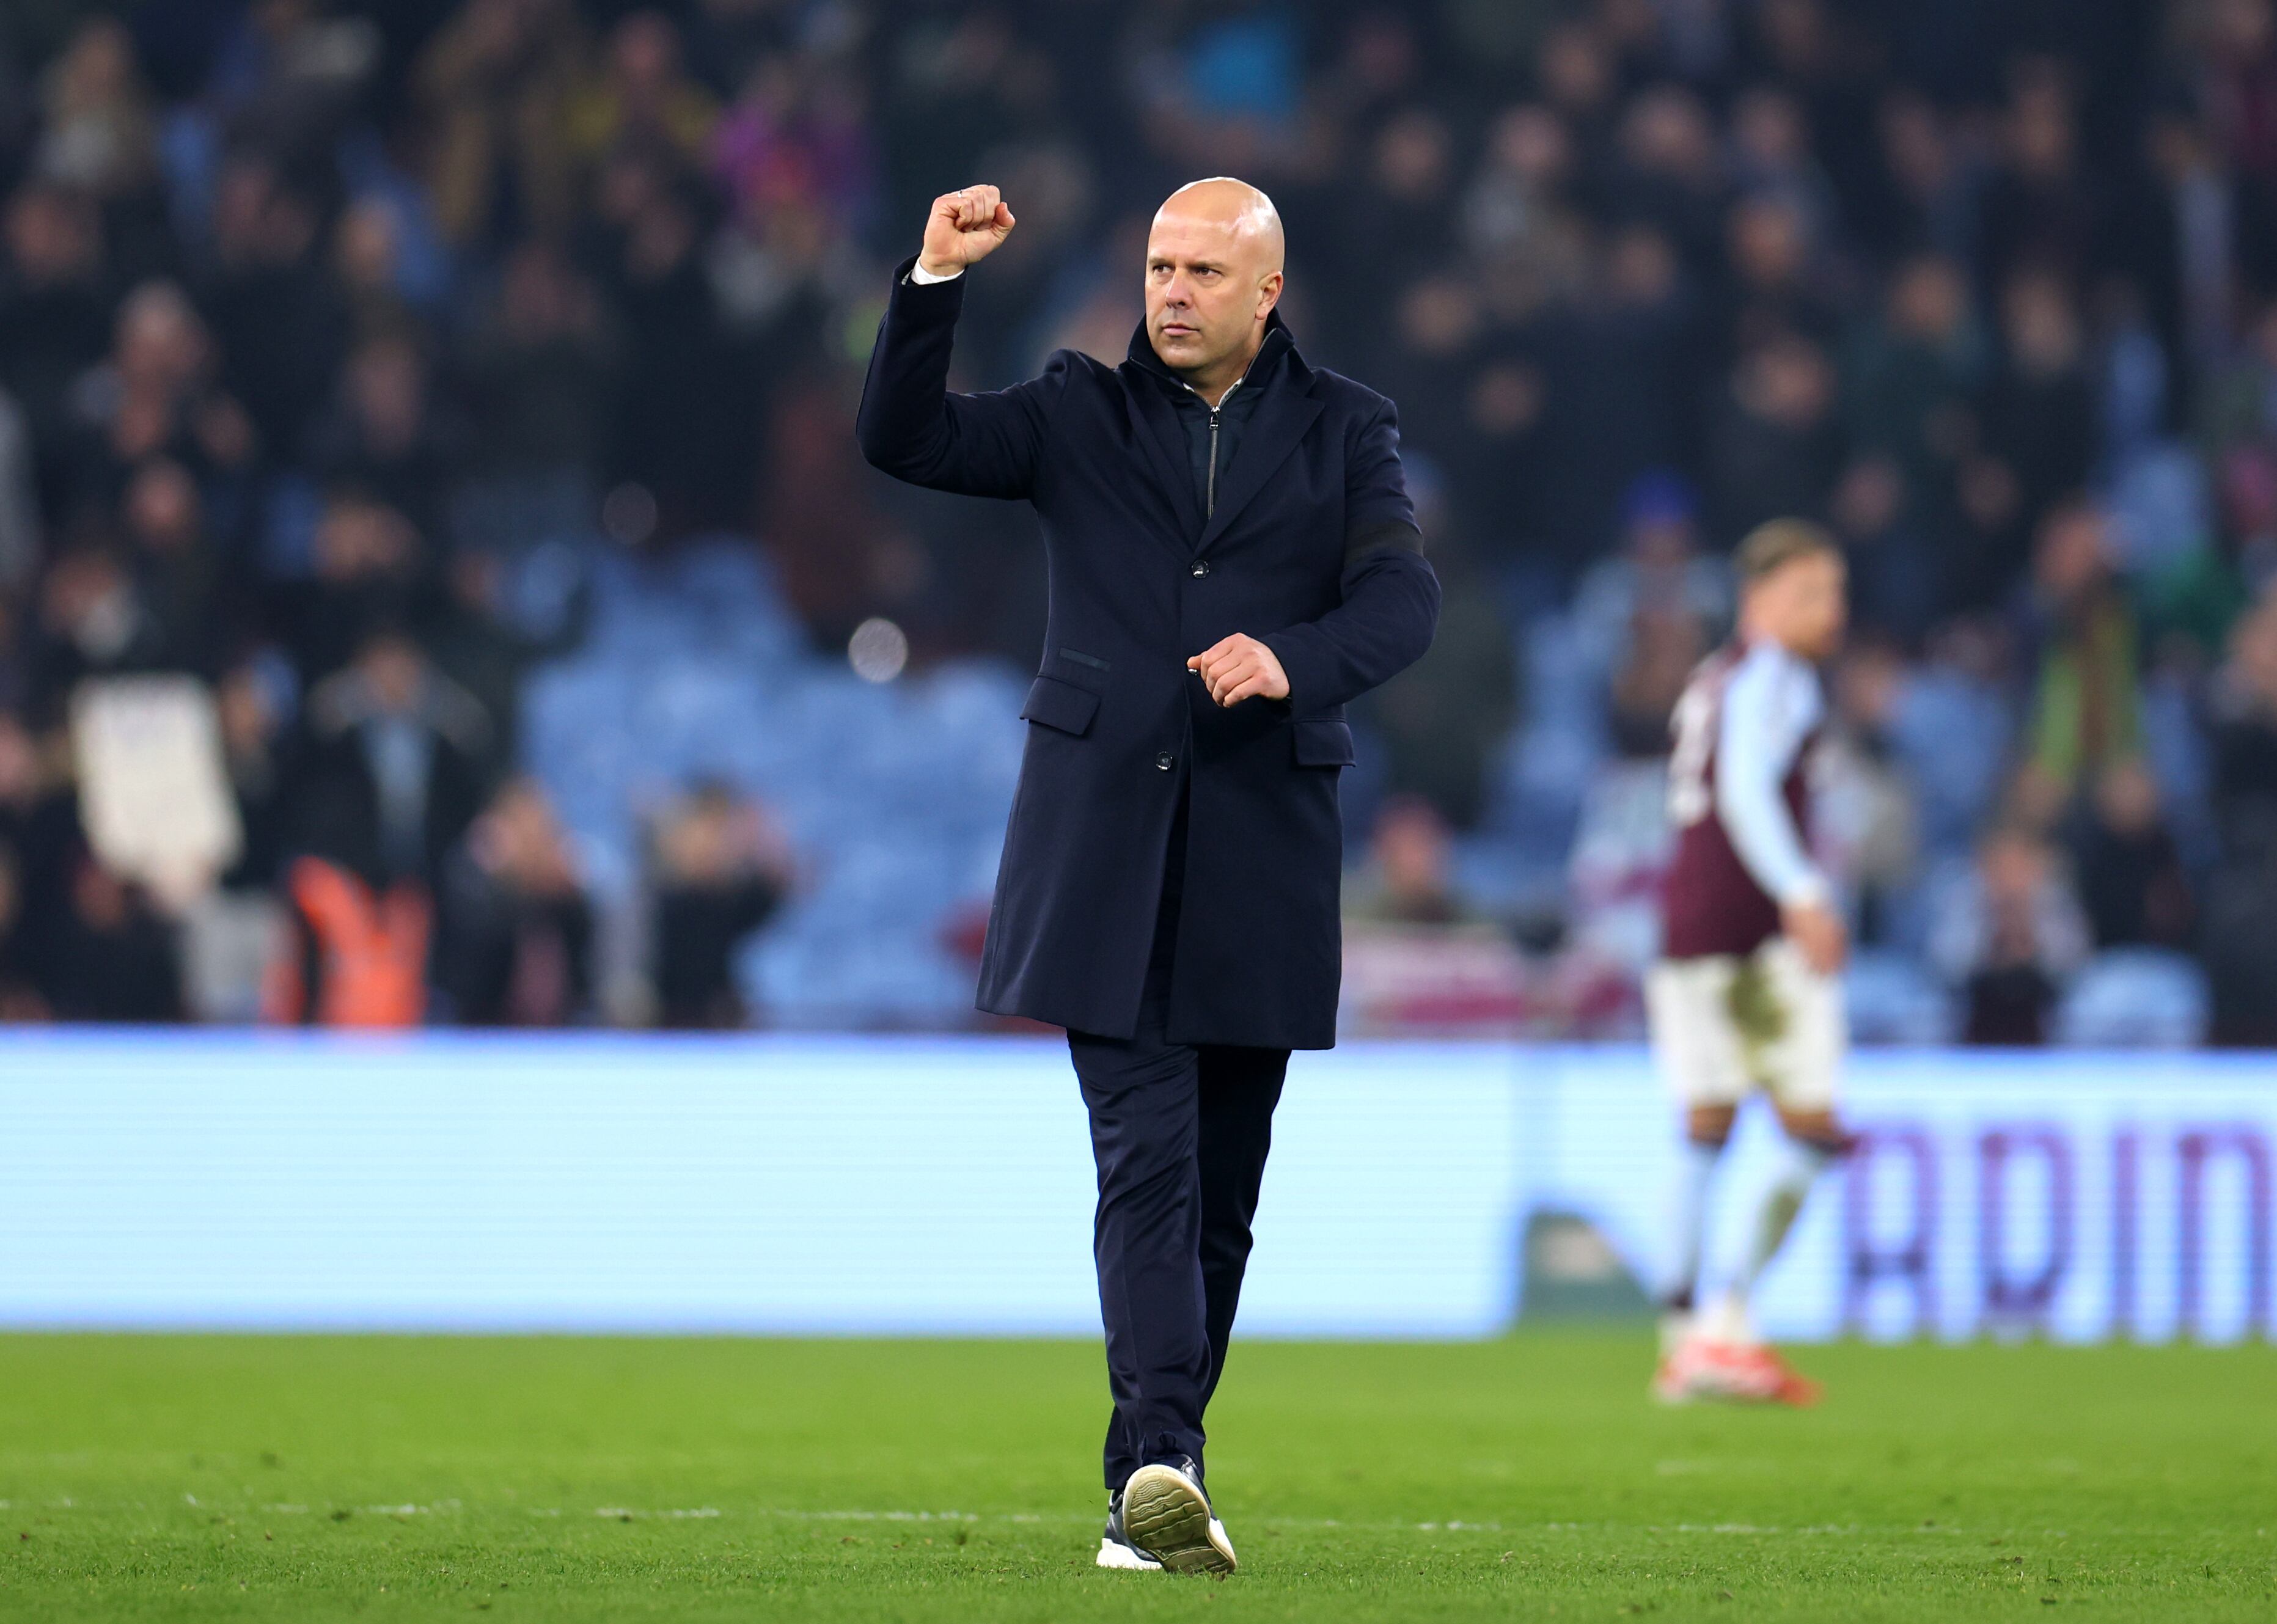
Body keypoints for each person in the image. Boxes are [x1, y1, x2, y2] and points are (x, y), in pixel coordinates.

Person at [857, 178, 1438, 1572]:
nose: (1172, 291)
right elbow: (905, 438)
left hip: (1261, 852)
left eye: (1202, 272)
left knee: (1222, 1200)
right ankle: (1170, 1454)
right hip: (1103, 848)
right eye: (1160, 267)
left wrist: (1294, 656)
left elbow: (1401, 598)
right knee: (1150, 1169)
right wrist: (934, 278)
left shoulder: (1347, 425)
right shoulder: (1077, 409)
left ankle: (1142, 1488)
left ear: (1267, 293)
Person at [1648, 519, 1851, 1408]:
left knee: (1707, 1129)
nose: (1830, 611)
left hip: (1689, 927)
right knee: (1808, 1132)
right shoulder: (1774, 676)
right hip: (1754, 935)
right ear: (1759, 599)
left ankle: (1687, 1340)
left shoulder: (1715, 677)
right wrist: (1802, 891)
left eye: (1834, 592)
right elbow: (1742, 790)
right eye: (1811, 593)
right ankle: (1721, 1324)